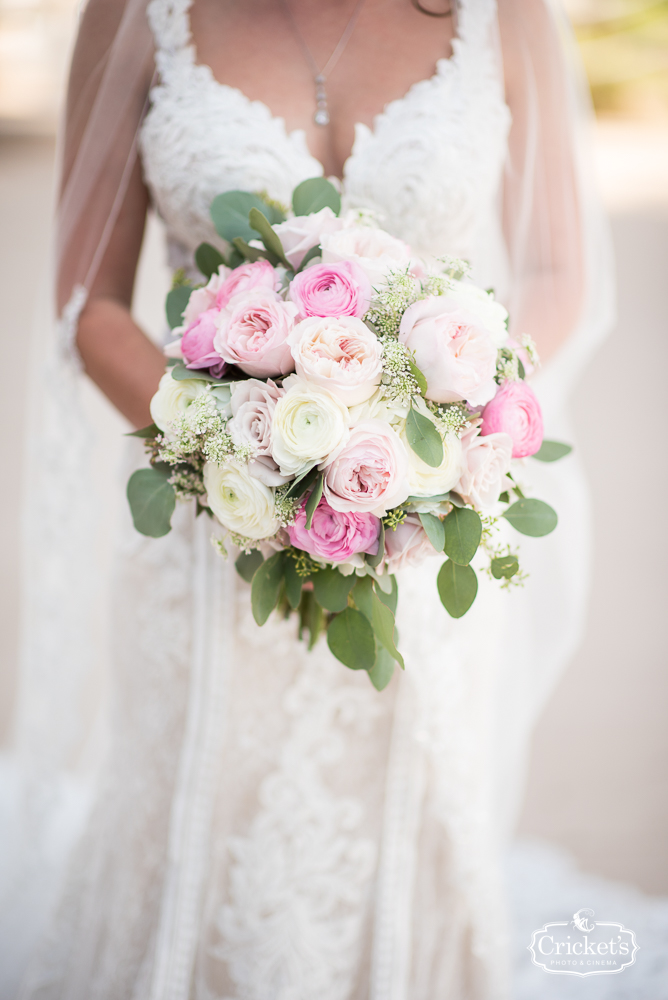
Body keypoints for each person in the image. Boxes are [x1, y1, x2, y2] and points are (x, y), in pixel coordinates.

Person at [9, 1, 614, 997]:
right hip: (209, 544)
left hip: (422, 535)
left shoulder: (502, 15)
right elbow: (92, 303)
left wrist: (438, 441)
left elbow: (554, 270)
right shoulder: (134, 13)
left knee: (408, 826)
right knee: (199, 821)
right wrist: (232, 457)